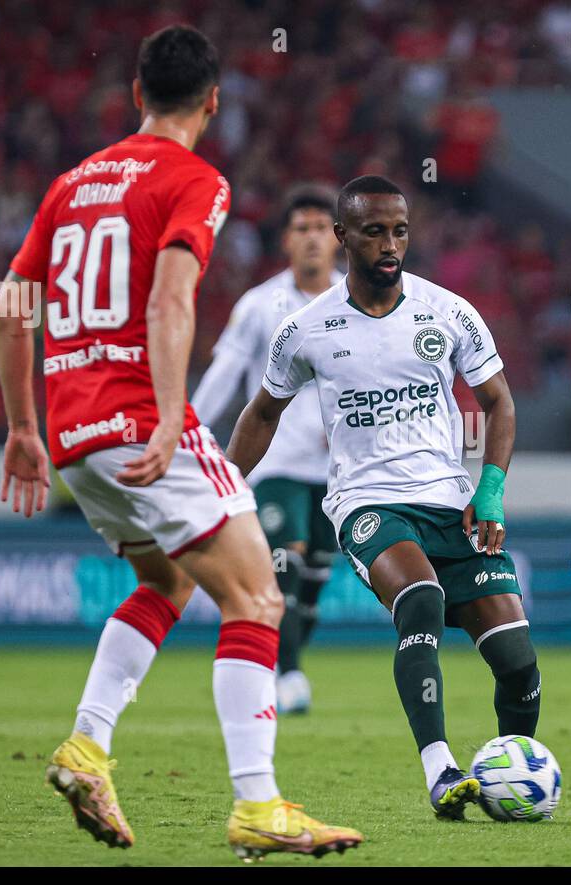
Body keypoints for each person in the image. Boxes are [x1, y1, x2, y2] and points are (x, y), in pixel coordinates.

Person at [0, 24, 361, 860]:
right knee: (257, 596)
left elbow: (13, 306)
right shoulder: (194, 178)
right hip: (137, 422)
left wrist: (21, 426)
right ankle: (258, 806)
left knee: (163, 581)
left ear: (134, 94)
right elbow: (169, 302)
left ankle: (86, 749)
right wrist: (167, 417)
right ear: (214, 101)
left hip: (74, 433)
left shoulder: (71, 184)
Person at [226, 175, 542, 820]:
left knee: (518, 667)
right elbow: (261, 414)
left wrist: (490, 490)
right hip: (367, 504)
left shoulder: (448, 312)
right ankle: (440, 768)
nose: (390, 244)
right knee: (420, 598)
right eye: (373, 232)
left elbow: (499, 402)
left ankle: (513, 772)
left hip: (450, 503)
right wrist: (224, 493)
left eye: (399, 230)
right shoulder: (305, 331)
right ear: (344, 238)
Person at [190, 185, 343, 714]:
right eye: (301, 229)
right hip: (273, 461)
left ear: (338, 238)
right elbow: (225, 373)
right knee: (286, 561)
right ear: (285, 240)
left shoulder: (360, 302)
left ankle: (287, 662)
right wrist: (186, 428)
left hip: (339, 471)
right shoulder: (259, 306)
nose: (312, 239)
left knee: (317, 574)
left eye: (322, 228)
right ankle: (291, 673)